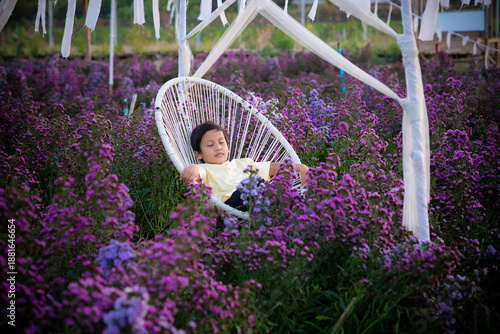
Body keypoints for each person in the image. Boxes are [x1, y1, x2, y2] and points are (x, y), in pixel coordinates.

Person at [180, 121, 309, 211]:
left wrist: (300, 168)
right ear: (198, 154)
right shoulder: (205, 169)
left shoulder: (243, 163)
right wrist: (193, 166)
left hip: (259, 193)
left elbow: (272, 168)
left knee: (267, 185)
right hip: (233, 203)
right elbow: (196, 174)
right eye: (210, 145)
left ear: (228, 148)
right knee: (252, 184)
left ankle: (298, 202)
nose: (218, 147)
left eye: (221, 142)